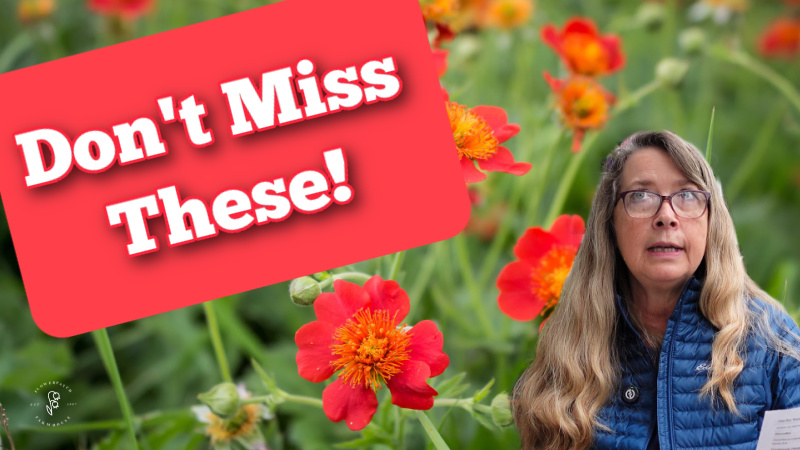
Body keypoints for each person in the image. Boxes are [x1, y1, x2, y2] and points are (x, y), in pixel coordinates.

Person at [512, 131, 800, 449]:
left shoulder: (772, 338)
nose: (666, 217)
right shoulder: (567, 346)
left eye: (688, 196)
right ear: (610, 224)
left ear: (711, 221)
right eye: (640, 196)